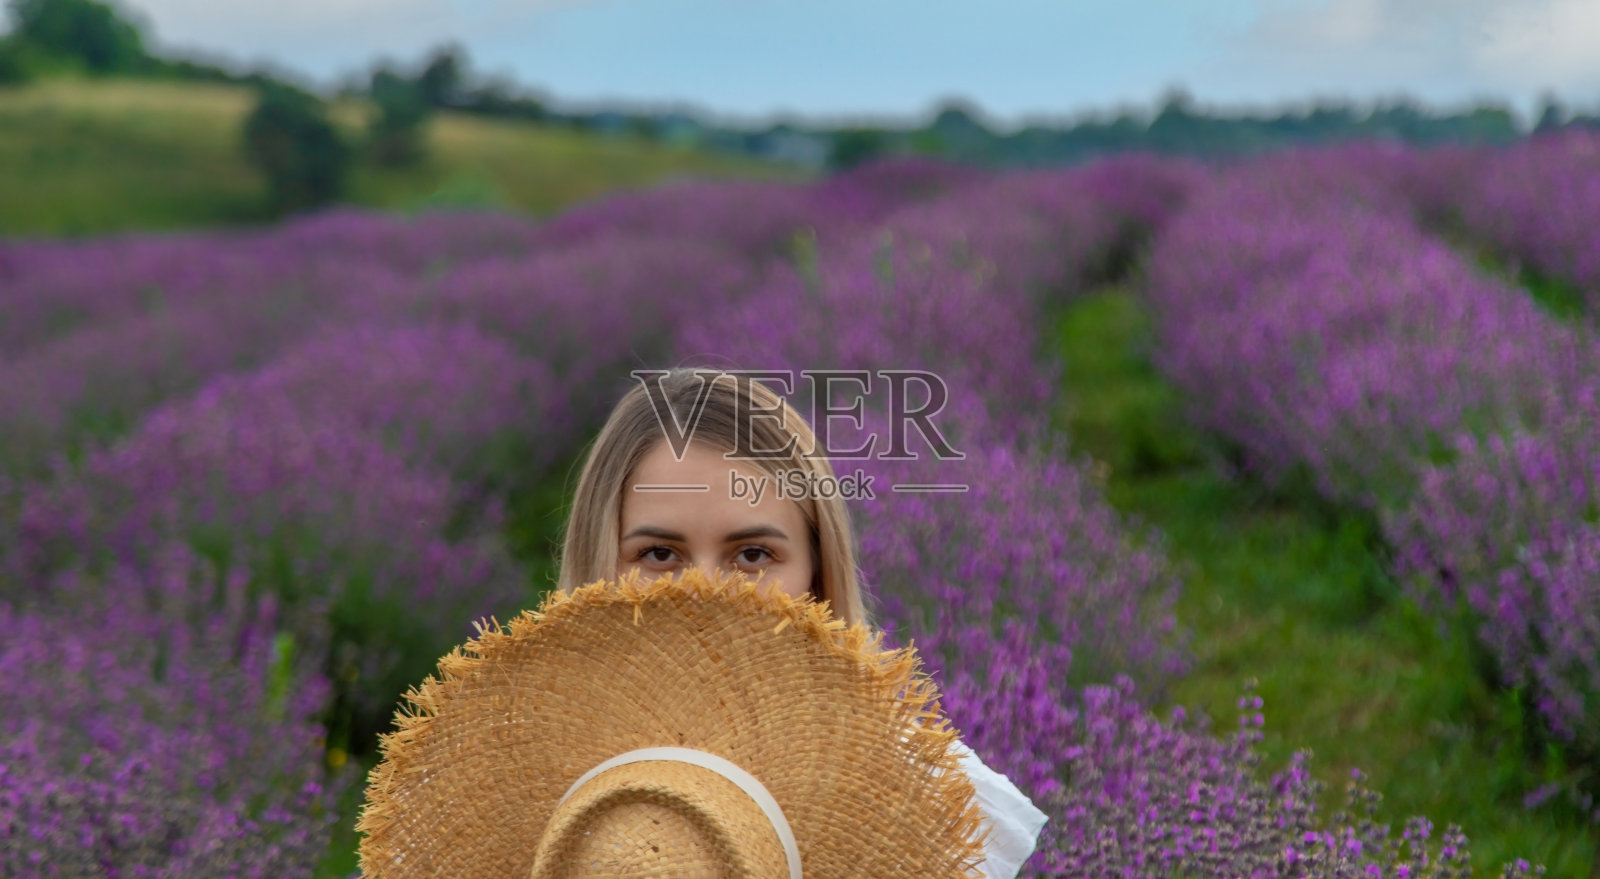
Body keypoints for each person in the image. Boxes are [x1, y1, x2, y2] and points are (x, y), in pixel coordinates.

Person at [554, 366, 1048, 878]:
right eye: (659, 553)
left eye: (751, 555)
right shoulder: (519, 768)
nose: (703, 595)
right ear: (600, 562)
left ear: (816, 571)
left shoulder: (922, 790)